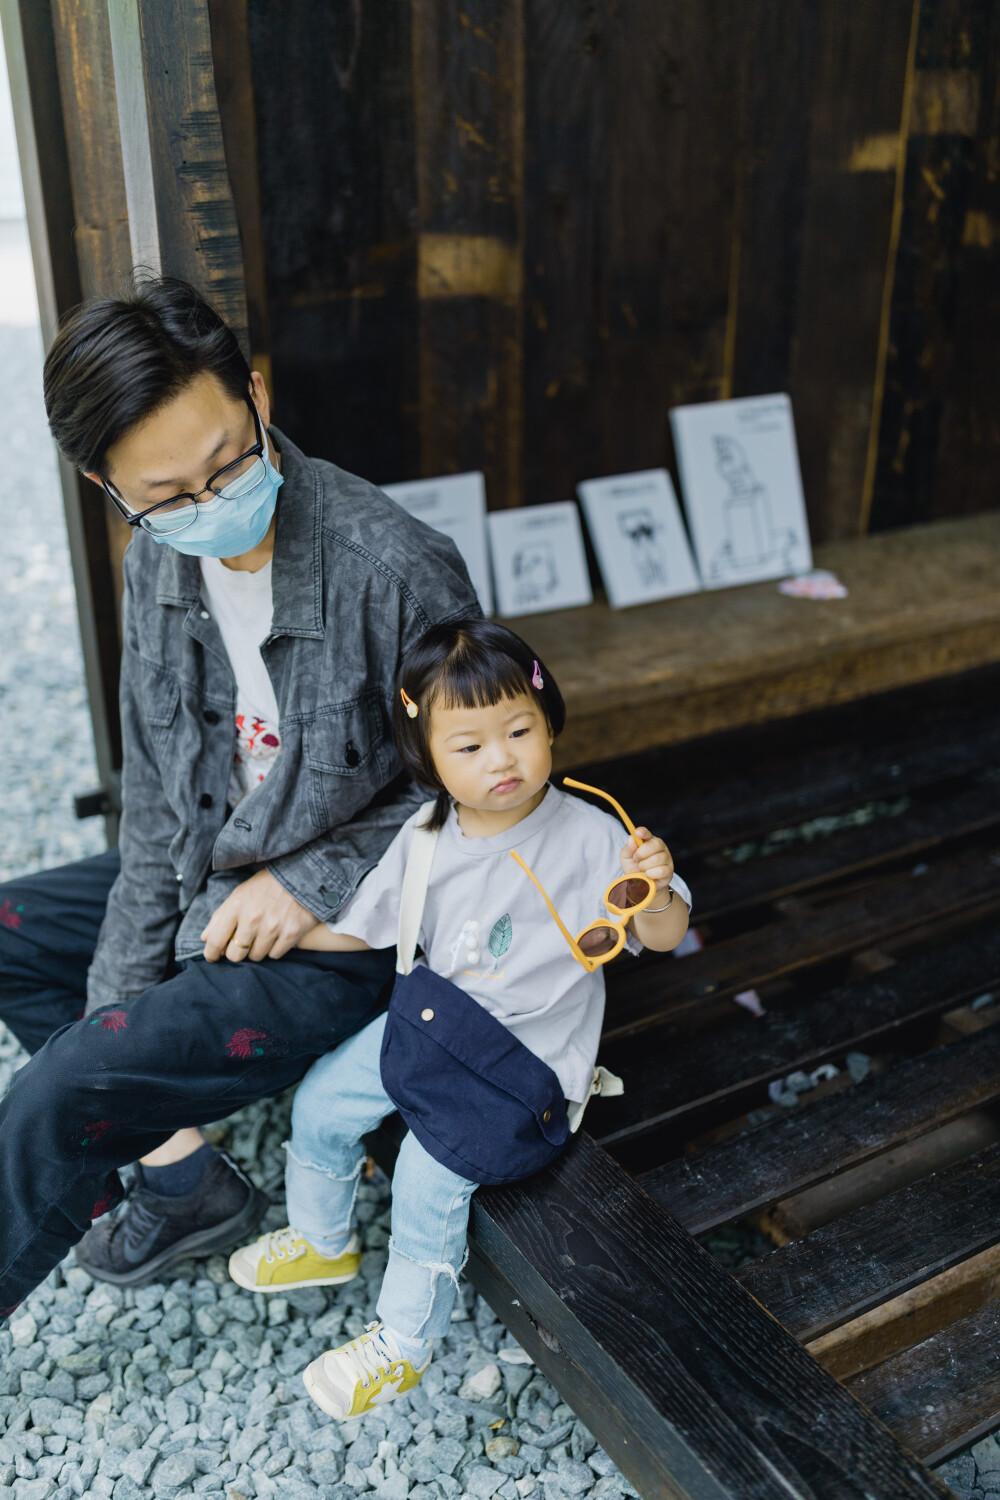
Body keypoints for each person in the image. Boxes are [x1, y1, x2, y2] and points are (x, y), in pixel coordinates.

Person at [0, 278, 479, 1314]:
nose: (211, 502)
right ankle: (182, 1178)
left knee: (52, 1098)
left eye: (229, 460)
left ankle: (130, 1152)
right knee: (31, 969)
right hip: (208, 874)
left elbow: (479, 793)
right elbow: (163, 812)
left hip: (349, 934)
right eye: (168, 495)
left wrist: (306, 883)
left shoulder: (391, 567)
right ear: (106, 485)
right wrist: (116, 1008)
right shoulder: (157, 567)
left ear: (256, 395)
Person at [227, 618, 691, 1420]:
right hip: (434, 1020)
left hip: (524, 1059)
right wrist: (287, 929)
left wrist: (658, 884)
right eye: (469, 746)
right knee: (323, 1101)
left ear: (550, 723)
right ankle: (323, 1240)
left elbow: (662, 932)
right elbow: (369, 923)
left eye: (518, 731)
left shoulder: (589, 836)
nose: (502, 759)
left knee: (425, 1179)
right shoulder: (429, 832)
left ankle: (403, 1344)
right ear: (429, 758)